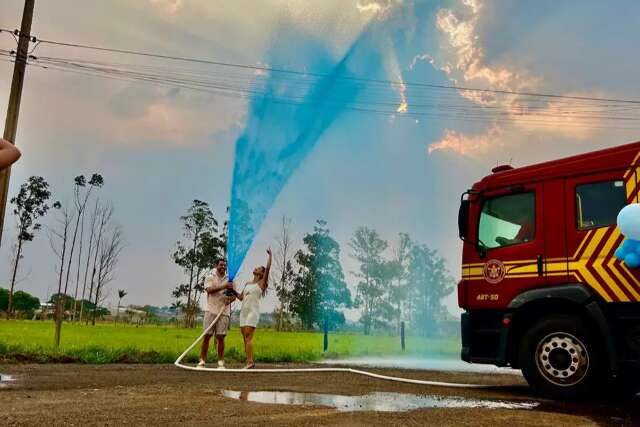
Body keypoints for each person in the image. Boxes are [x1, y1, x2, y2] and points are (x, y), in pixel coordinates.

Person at [198, 258, 236, 369]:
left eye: (225, 265)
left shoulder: (230, 279)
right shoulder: (210, 277)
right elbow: (209, 290)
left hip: (223, 312)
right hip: (210, 310)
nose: (223, 267)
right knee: (207, 336)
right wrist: (224, 286)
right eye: (221, 265)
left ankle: (220, 362)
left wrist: (230, 300)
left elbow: (234, 295)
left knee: (220, 337)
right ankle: (202, 360)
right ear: (216, 266)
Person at [237, 248, 271, 369]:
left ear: (261, 273)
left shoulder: (261, 284)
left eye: (258, 268)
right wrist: (232, 291)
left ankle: (250, 362)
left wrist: (270, 256)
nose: (255, 268)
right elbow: (240, 297)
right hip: (243, 312)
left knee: (248, 336)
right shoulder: (247, 284)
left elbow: (268, 269)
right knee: (244, 338)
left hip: (253, 312)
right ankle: (249, 361)